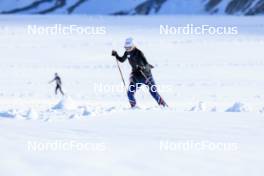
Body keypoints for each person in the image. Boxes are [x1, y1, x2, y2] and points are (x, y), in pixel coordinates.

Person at [112, 37, 167, 108]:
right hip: (136, 77)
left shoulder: (139, 53)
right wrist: (116, 55)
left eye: (129, 47)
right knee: (129, 93)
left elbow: (146, 64)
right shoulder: (127, 53)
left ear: (133, 45)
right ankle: (134, 107)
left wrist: (143, 67)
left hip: (146, 76)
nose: (127, 49)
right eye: (126, 47)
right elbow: (122, 60)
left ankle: (164, 106)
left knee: (153, 92)